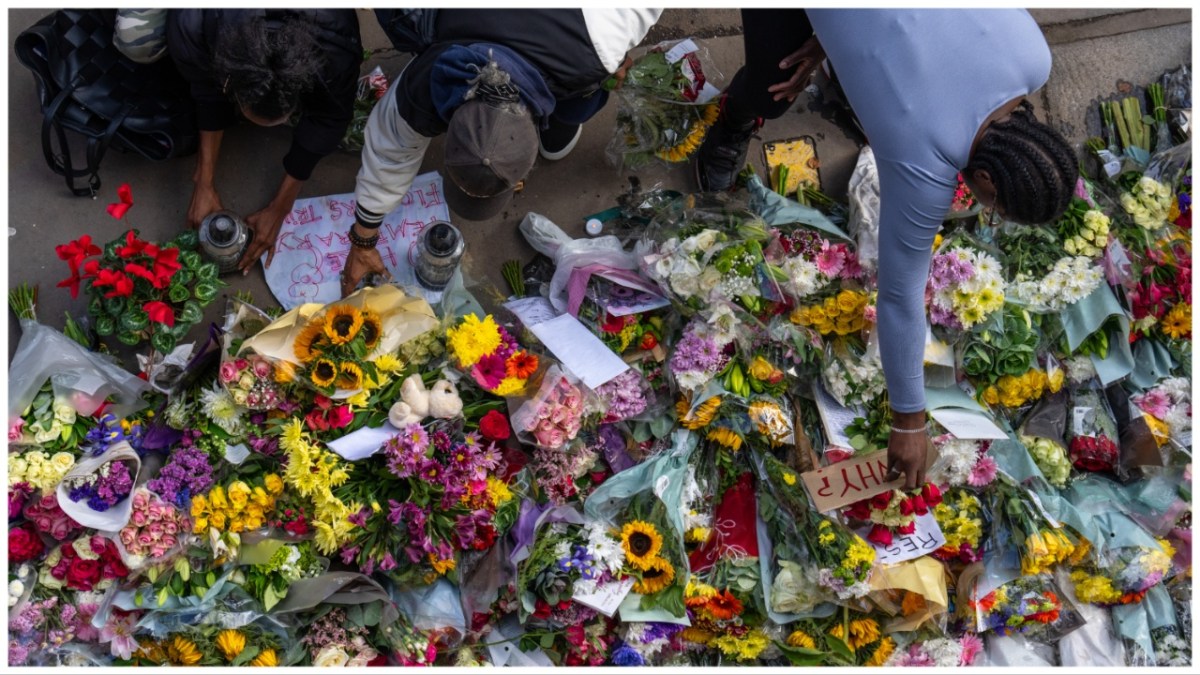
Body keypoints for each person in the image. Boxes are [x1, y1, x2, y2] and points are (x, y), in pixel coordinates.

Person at [698, 9, 1079, 489]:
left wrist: (837, 35)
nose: (987, 212)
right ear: (984, 179)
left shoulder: (1034, 56)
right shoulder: (925, 163)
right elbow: (899, 299)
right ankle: (734, 119)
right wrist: (908, 421)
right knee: (775, 81)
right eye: (994, 206)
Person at [338, 8, 662, 297]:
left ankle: (572, 105)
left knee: (590, 88)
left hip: (582, 40)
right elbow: (388, 150)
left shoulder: (608, 30)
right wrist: (363, 239)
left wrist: (615, 58)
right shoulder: (427, 81)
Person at [166, 9, 363, 274]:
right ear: (228, 84)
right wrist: (203, 180)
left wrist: (282, 205)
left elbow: (330, 118)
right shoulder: (194, 22)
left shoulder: (336, 38)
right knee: (137, 44)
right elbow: (205, 88)